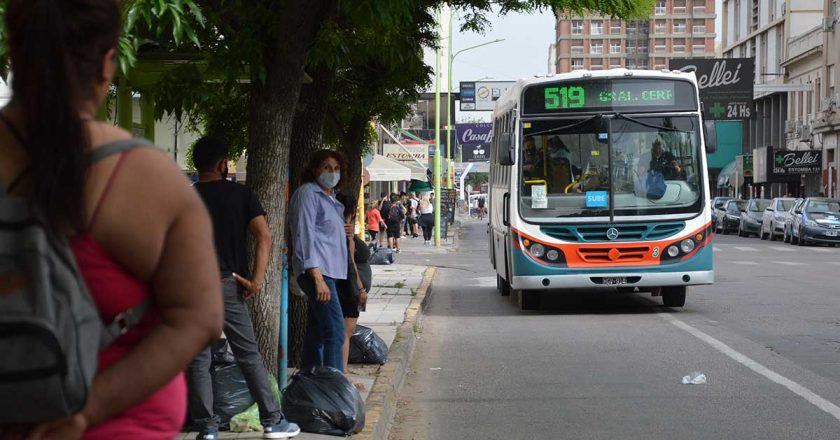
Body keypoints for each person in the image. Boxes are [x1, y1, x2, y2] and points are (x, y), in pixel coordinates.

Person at [0, 1, 224, 438]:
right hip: (118, 425)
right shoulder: (147, 177)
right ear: (107, 65)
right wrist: (85, 413)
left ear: (13, 53)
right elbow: (200, 318)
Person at [187, 137, 299, 440]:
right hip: (227, 287)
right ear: (223, 164)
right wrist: (257, 279)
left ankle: (207, 428)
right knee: (248, 354)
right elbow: (264, 236)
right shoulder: (241, 195)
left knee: (199, 360)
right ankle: (273, 420)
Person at [290, 150, 348, 373]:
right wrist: (317, 278)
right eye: (326, 167)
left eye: (336, 169)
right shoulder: (308, 194)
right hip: (318, 272)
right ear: (315, 170)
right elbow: (304, 235)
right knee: (335, 330)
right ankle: (334, 390)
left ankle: (309, 385)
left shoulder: (330, 198)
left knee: (317, 335)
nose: (332, 173)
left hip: (329, 272)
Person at [335, 194, 370, 381]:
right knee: (346, 332)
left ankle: (342, 371)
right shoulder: (344, 231)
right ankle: (343, 372)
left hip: (344, 283)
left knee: (343, 332)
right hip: (347, 285)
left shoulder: (342, 228)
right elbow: (350, 263)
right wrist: (360, 289)